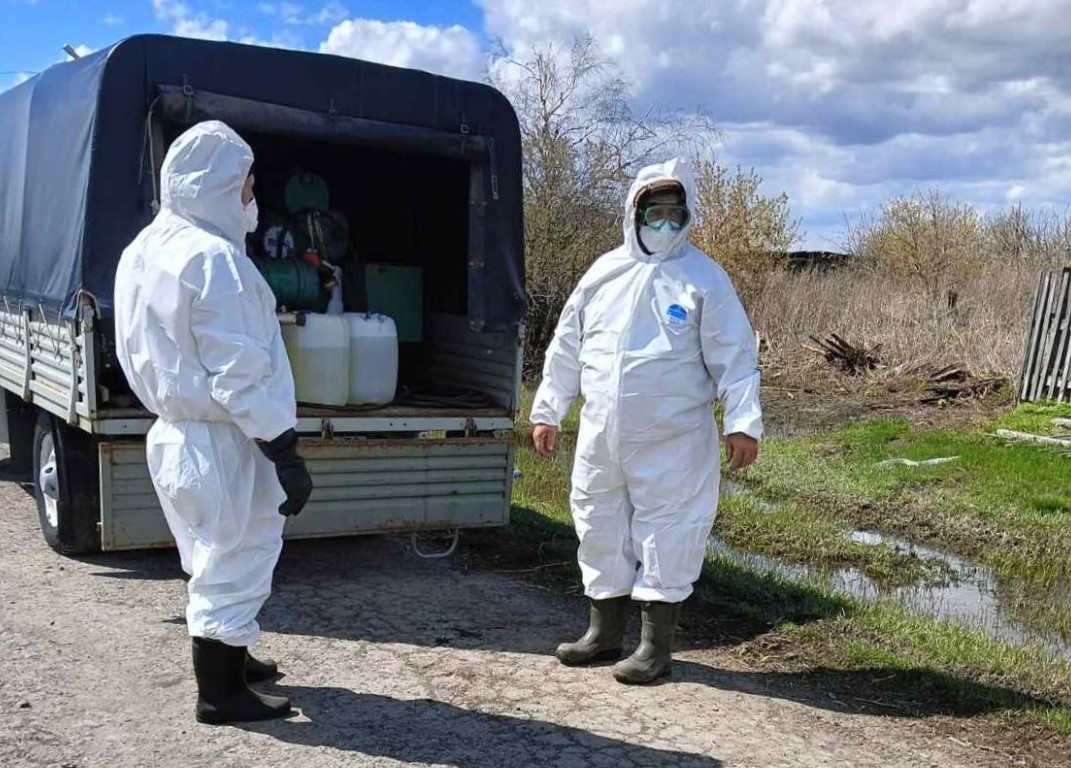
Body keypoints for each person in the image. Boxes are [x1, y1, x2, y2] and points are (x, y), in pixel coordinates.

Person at [530, 157, 763, 685]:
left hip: (673, 437)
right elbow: (566, 346)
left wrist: (742, 422)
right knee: (597, 520)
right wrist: (548, 410)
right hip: (602, 430)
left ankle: (655, 647)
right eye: (653, 211)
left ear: (688, 214)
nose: (664, 222)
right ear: (633, 213)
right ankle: (603, 634)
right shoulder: (603, 273)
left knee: (669, 528)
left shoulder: (705, 279)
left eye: (673, 212)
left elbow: (735, 355)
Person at [113, 121, 313, 724]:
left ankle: (233, 654)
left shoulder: (146, 248)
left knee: (206, 553)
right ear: (221, 186)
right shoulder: (215, 258)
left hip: (176, 431)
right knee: (238, 554)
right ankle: (220, 693)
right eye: (247, 186)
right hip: (223, 437)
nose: (253, 198)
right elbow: (239, 371)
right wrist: (284, 449)